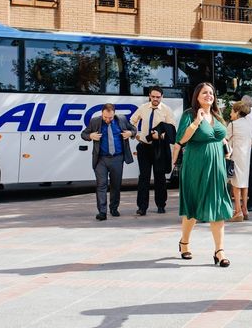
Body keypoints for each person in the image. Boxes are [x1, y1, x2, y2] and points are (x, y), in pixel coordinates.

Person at [175, 82, 234, 266]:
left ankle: (220, 251)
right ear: (197, 96)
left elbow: (220, 135)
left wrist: (225, 145)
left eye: (211, 93)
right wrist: (197, 121)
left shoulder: (217, 114)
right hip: (195, 166)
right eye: (204, 93)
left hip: (217, 167)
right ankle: (184, 242)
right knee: (192, 207)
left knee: (217, 206)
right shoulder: (189, 114)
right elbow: (181, 139)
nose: (209, 95)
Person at [81, 103, 137, 221]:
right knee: (101, 185)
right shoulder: (95, 121)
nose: (107, 120)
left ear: (114, 114)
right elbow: (84, 134)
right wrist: (91, 135)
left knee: (116, 185)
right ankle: (102, 212)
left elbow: (134, 129)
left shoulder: (122, 120)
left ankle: (114, 208)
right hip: (101, 159)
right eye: (105, 117)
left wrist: (130, 133)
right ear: (102, 114)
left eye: (110, 117)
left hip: (117, 158)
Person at [130, 86, 177, 215]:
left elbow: (171, 130)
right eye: (153, 96)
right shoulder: (143, 108)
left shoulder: (167, 110)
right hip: (144, 146)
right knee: (143, 178)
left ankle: (161, 205)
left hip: (159, 147)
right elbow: (132, 121)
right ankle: (142, 207)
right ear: (149, 96)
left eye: (158, 97)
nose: (155, 99)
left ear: (162, 97)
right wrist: (136, 135)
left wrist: (161, 136)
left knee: (160, 177)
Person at [226, 101, 252, 222]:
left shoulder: (233, 125)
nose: (231, 113)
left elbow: (225, 139)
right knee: (244, 183)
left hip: (236, 156)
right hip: (246, 156)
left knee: (235, 184)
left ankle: (238, 212)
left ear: (237, 112)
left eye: (232, 110)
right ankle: (245, 209)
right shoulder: (249, 123)